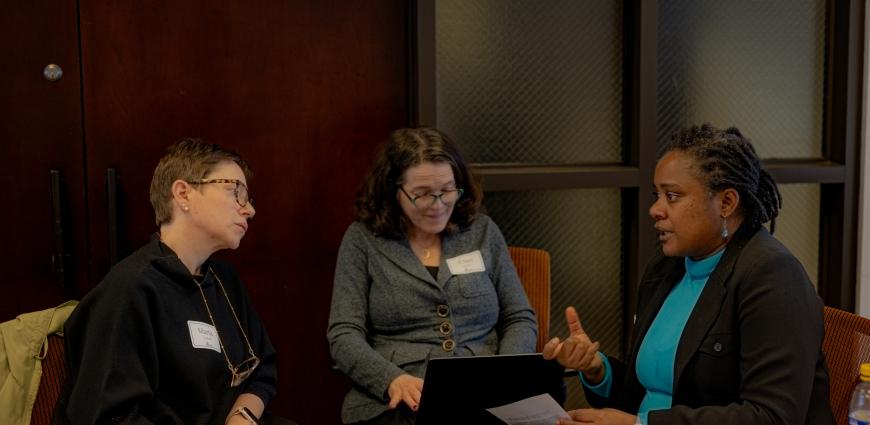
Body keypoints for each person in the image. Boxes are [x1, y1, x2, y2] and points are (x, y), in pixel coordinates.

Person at [543, 124, 833, 425]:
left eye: (672, 196)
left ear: (726, 203)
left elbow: (773, 417)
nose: (655, 209)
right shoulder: (667, 266)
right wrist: (596, 369)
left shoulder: (772, 276)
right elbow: (646, 394)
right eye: (657, 195)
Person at [55, 139, 277, 425]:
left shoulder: (224, 280)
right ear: (183, 194)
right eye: (236, 192)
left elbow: (263, 368)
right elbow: (109, 416)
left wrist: (242, 417)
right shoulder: (130, 289)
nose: (249, 210)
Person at [327, 127, 538, 425]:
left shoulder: (482, 231)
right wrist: (391, 379)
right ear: (393, 189)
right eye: (422, 194)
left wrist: (502, 375)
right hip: (400, 398)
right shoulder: (363, 240)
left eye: (447, 190)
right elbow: (343, 334)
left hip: (484, 390)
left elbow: (519, 317)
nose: (438, 205)